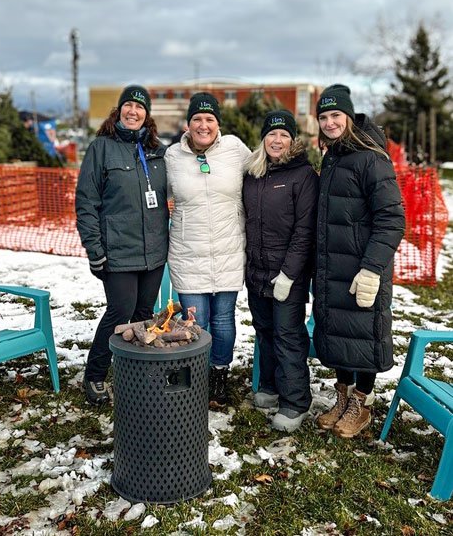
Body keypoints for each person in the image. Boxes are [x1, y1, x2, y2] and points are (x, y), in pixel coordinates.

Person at [314, 84, 405, 437]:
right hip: (333, 266)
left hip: (363, 267)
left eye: (336, 115)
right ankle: (342, 396)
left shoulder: (372, 158)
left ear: (349, 117)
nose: (329, 122)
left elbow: (392, 219)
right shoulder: (334, 155)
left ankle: (361, 403)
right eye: (323, 117)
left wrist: (371, 268)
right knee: (339, 333)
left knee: (363, 335)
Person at [76, 85, 169, 405]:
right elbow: (86, 202)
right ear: (118, 111)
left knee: (145, 314)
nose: (133, 111)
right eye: (128, 106)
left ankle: (136, 373)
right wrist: (94, 249)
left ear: (147, 114)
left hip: (154, 252)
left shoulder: (158, 151)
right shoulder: (101, 148)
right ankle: (95, 375)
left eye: (140, 107)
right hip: (117, 251)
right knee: (120, 312)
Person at [165, 92, 250, 407]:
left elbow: (263, 170)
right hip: (189, 253)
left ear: (218, 124)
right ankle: (195, 375)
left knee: (225, 320)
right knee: (195, 321)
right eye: (197, 119)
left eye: (210, 119)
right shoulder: (172, 157)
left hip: (229, 249)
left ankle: (219, 375)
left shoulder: (235, 150)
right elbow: (154, 193)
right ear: (188, 124)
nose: (203, 125)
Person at [243, 110, 319, 432]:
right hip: (257, 270)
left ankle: (295, 401)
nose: (277, 140)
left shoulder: (303, 177)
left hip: (288, 273)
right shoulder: (253, 173)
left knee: (288, 335)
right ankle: (270, 387)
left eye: (284, 135)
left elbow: (305, 231)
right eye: (272, 135)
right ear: (263, 139)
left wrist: (288, 274)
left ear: (293, 141)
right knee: (265, 331)